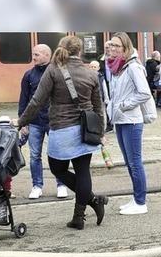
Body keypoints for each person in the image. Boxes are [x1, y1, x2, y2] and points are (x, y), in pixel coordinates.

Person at [16, 35, 108, 230]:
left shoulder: (53, 70)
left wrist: (21, 121)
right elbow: (99, 108)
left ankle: (86, 209)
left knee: (58, 169)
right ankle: (82, 212)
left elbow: (37, 101)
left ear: (61, 49)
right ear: (80, 52)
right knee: (83, 171)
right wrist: (100, 132)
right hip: (85, 130)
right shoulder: (90, 73)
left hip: (61, 128)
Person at [107, 32, 152, 215]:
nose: (113, 49)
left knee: (135, 163)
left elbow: (144, 93)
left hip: (132, 120)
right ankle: (135, 198)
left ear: (126, 48)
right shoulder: (119, 68)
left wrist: (124, 106)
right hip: (121, 120)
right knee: (129, 162)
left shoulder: (133, 67)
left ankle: (141, 203)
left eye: (117, 46)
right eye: (112, 45)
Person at [18, 44, 68, 200]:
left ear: (47, 55)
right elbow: (24, 99)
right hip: (34, 122)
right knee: (34, 155)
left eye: (37, 55)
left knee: (58, 154)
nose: (33, 58)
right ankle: (37, 186)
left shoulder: (57, 72)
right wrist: (22, 122)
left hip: (54, 122)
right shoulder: (28, 76)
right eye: (33, 54)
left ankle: (61, 184)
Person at [89, 60, 111, 132]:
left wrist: (106, 99)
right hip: (90, 99)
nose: (93, 68)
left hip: (100, 98)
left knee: (102, 114)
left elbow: (104, 88)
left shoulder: (101, 77)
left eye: (94, 67)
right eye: (91, 67)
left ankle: (102, 129)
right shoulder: (87, 76)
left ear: (98, 68)